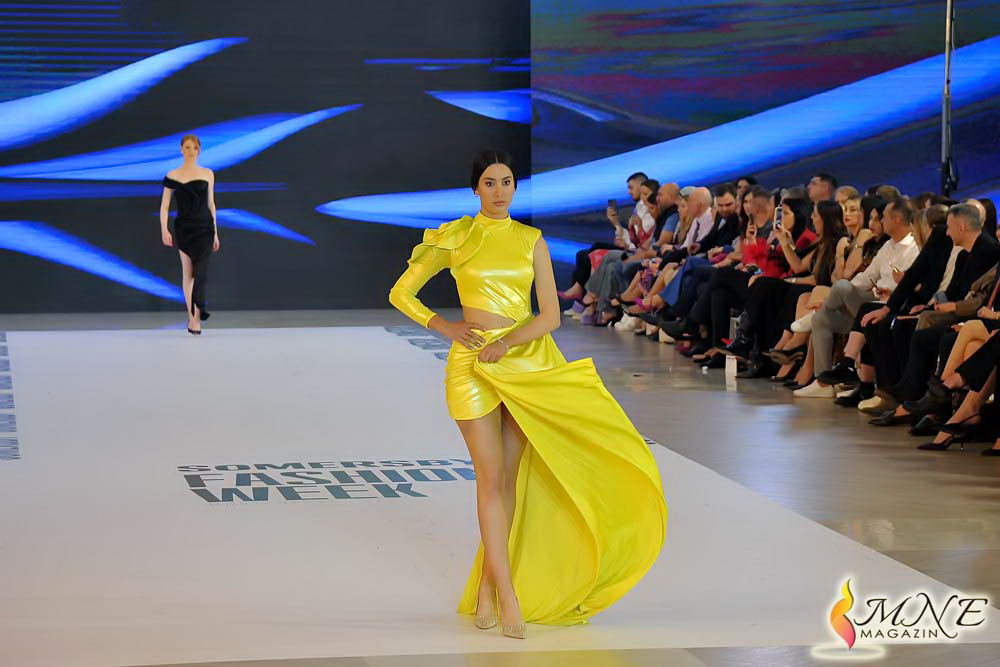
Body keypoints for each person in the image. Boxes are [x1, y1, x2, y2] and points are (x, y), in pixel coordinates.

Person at [388, 149, 667, 638]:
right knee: (490, 480)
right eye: (490, 182)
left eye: (507, 182)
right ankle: (508, 594)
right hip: (471, 366)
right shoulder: (456, 237)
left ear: (516, 188)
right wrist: (446, 327)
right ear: (476, 189)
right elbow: (400, 292)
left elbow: (550, 316)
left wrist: (508, 343)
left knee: (510, 484)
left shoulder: (531, 240)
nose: (499, 191)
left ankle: (488, 589)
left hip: (525, 362)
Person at [160, 134, 219, 335]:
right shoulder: (172, 176)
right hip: (184, 228)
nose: (191, 151)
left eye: (194, 147)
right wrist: (164, 229)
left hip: (205, 228)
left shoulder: (208, 174)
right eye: (187, 147)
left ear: (199, 150)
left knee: (201, 273)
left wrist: (215, 232)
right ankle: (192, 318)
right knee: (189, 274)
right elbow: (164, 206)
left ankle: (197, 314)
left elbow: (211, 204)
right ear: (181, 150)